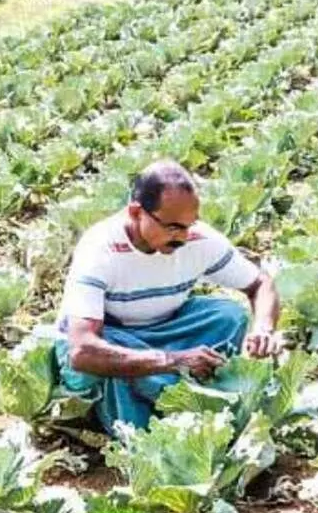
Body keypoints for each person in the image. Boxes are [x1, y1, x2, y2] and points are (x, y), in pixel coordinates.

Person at [55, 159, 283, 434]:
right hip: (114, 338)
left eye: (190, 225)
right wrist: (174, 361)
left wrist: (264, 328)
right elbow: (81, 351)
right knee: (105, 358)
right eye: (173, 227)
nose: (183, 237)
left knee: (229, 316)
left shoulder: (198, 240)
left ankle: (175, 390)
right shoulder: (101, 249)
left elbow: (260, 283)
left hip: (167, 329)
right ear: (136, 212)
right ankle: (147, 411)